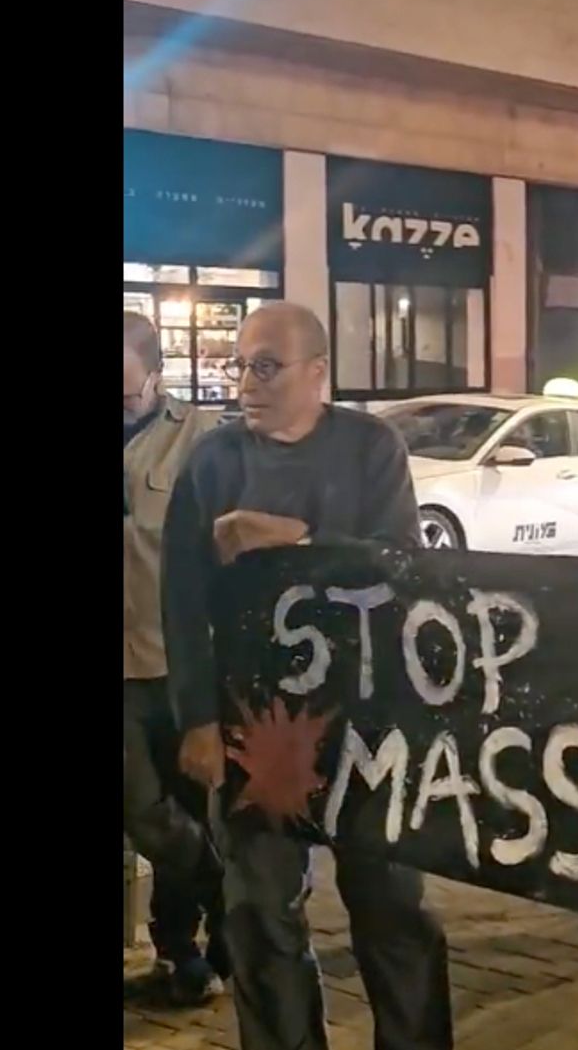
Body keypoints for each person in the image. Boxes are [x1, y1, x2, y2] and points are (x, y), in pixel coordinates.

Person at [161, 303, 454, 1050]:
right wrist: (196, 715)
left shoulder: (370, 448)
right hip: (252, 724)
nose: (247, 383)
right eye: (240, 365)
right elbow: (182, 599)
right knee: (258, 911)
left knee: (390, 903)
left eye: (266, 366)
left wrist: (296, 541)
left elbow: (400, 570)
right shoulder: (213, 460)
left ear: (318, 372)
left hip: (366, 720)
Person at [123, 312, 232, 1006]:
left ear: (156, 377)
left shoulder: (201, 442)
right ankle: (228, 885)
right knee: (146, 812)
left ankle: (181, 950)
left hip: (179, 663)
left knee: (186, 803)